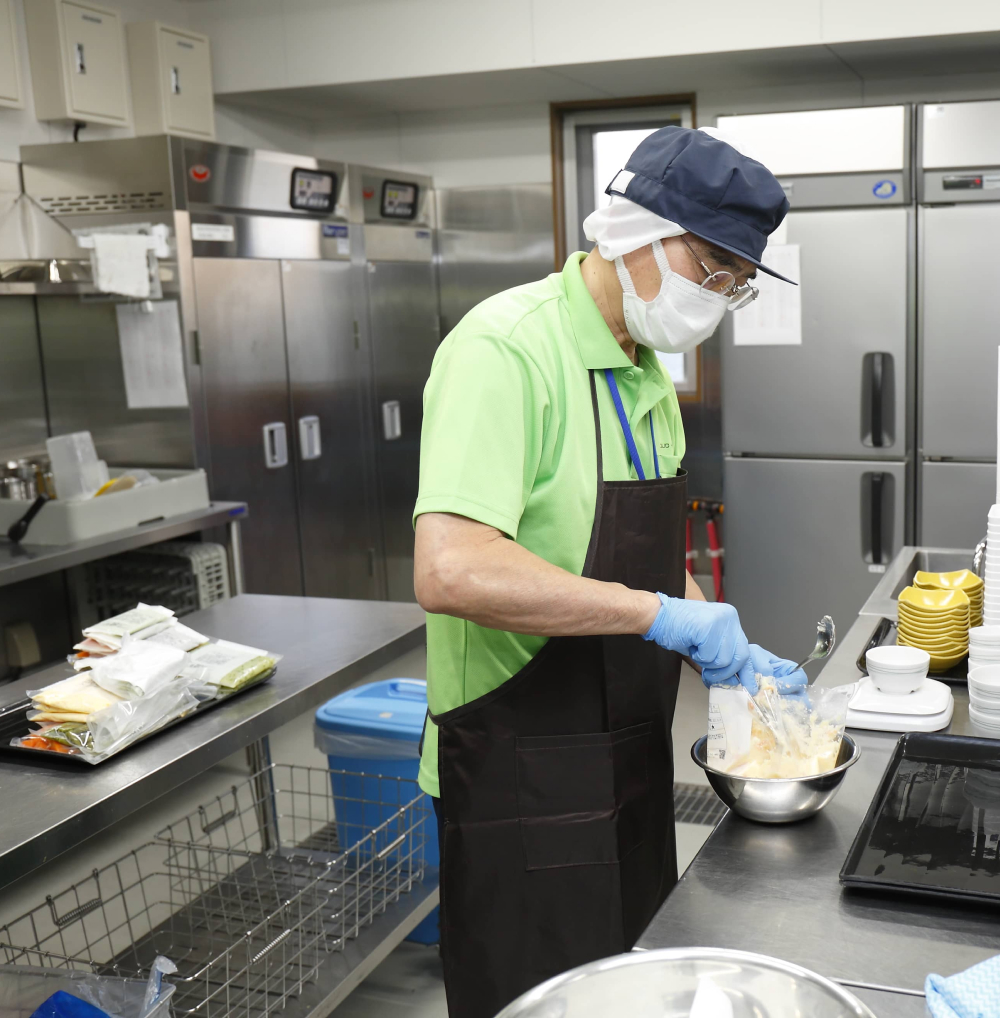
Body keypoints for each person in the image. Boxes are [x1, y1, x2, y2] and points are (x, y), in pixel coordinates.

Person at [410, 126, 803, 1017]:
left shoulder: (646, 371)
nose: (720, 296)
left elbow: (647, 566)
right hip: (516, 780)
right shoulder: (505, 349)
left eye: (738, 282)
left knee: (637, 991)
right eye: (713, 268)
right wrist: (663, 618)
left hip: (629, 762)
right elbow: (453, 571)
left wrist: (723, 647)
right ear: (634, 234)